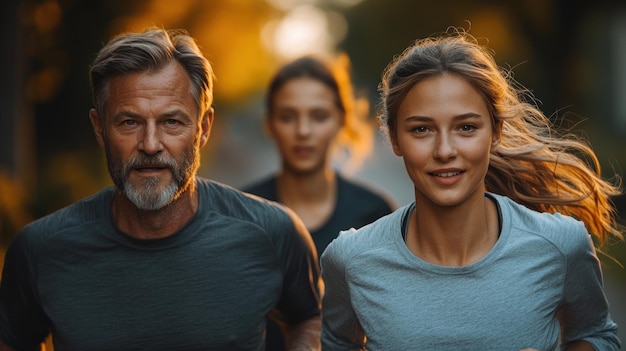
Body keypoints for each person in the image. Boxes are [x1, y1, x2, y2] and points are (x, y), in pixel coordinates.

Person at [0, 27, 322, 351]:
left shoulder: (275, 233)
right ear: (99, 129)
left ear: (204, 128)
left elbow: (308, 316)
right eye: (129, 122)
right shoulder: (40, 251)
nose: (151, 145)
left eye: (172, 122)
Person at [320, 29, 623, 351]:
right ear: (394, 138)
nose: (445, 150)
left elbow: (597, 336)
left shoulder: (561, 245)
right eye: (421, 129)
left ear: (495, 131)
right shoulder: (350, 259)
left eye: (466, 127)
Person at [243, 56, 395, 350]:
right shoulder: (241, 213)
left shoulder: (374, 213)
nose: (303, 131)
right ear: (269, 124)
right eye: (288, 116)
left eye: (318, 116)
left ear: (341, 120)